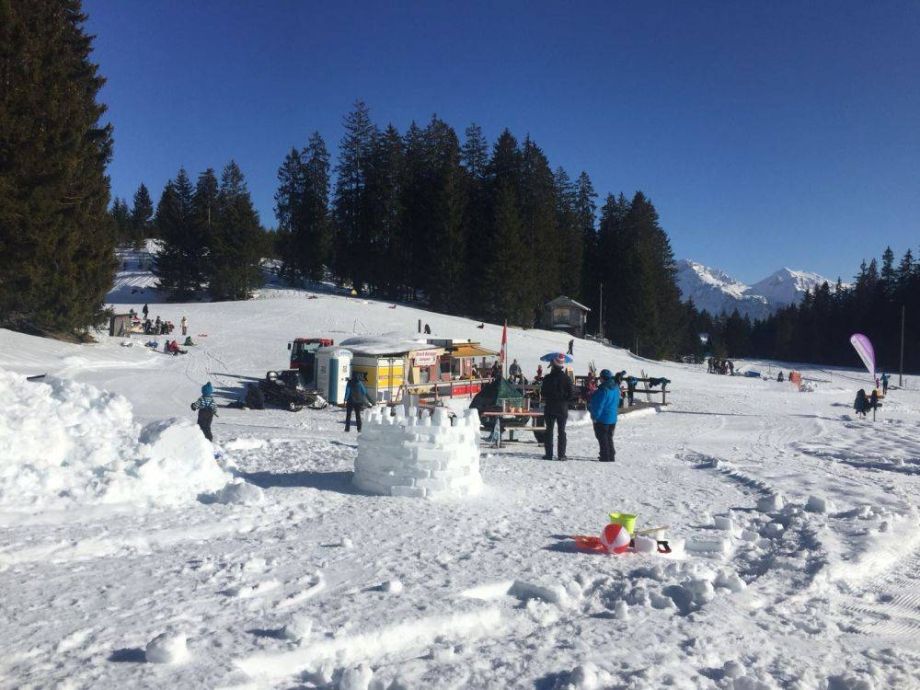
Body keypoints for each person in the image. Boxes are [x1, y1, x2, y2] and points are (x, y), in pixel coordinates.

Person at [541, 353, 573, 461]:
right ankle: (561, 455)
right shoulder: (567, 378)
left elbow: (543, 393)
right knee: (562, 431)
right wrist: (563, 398)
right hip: (562, 408)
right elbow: (571, 395)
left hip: (550, 406)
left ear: (553, 364)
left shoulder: (547, 378)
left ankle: (549, 454)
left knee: (549, 430)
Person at [589, 369, 620, 462]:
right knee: (609, 437)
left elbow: (598, 405)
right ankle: (611, 455)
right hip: (612, 417)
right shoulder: (615, 388)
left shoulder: (603, 390)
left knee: (602, 438)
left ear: (603, 378)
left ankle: (605, 456)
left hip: (603, 418)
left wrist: (594, 416)